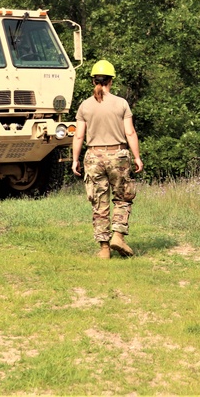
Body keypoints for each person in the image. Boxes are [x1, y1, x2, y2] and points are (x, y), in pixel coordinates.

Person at [71, 60, 143, 259]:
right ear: (111, 80)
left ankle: (104, 249)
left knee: (99, 202)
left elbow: (78, 136)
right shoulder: (121, 103)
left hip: (93, 157)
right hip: (118, 155)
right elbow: (130, 132)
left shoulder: (85, 105)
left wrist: (75, 159)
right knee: (123, 197)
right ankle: (118, 236)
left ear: (93, 80)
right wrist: (137, 157)